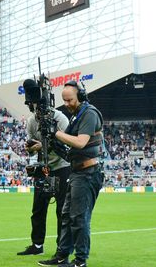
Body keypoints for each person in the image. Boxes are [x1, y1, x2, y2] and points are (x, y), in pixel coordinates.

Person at [39, 81, 105, 267]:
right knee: (67, 215)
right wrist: (43, 143)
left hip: (88, 172)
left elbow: (81, 142)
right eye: (64, 101)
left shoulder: (89, 113)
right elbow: (65, 145)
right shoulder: (77, 116)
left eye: (70, 100)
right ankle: (62, 256)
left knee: (79, 217)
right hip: (78, 172)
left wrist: (57, 133)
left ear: (81, 96)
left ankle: (80, 261)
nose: (66, 104)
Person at [17, 110, 71, 256]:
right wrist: (30, 149)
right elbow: (32, 150)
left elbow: (68, 144)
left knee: (62, 210)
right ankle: (37, 245)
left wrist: (44, 145)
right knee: (38, 209)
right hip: (44, 166)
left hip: (63, 166)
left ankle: (62, 247)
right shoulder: (31, 121)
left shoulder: (60, 119)